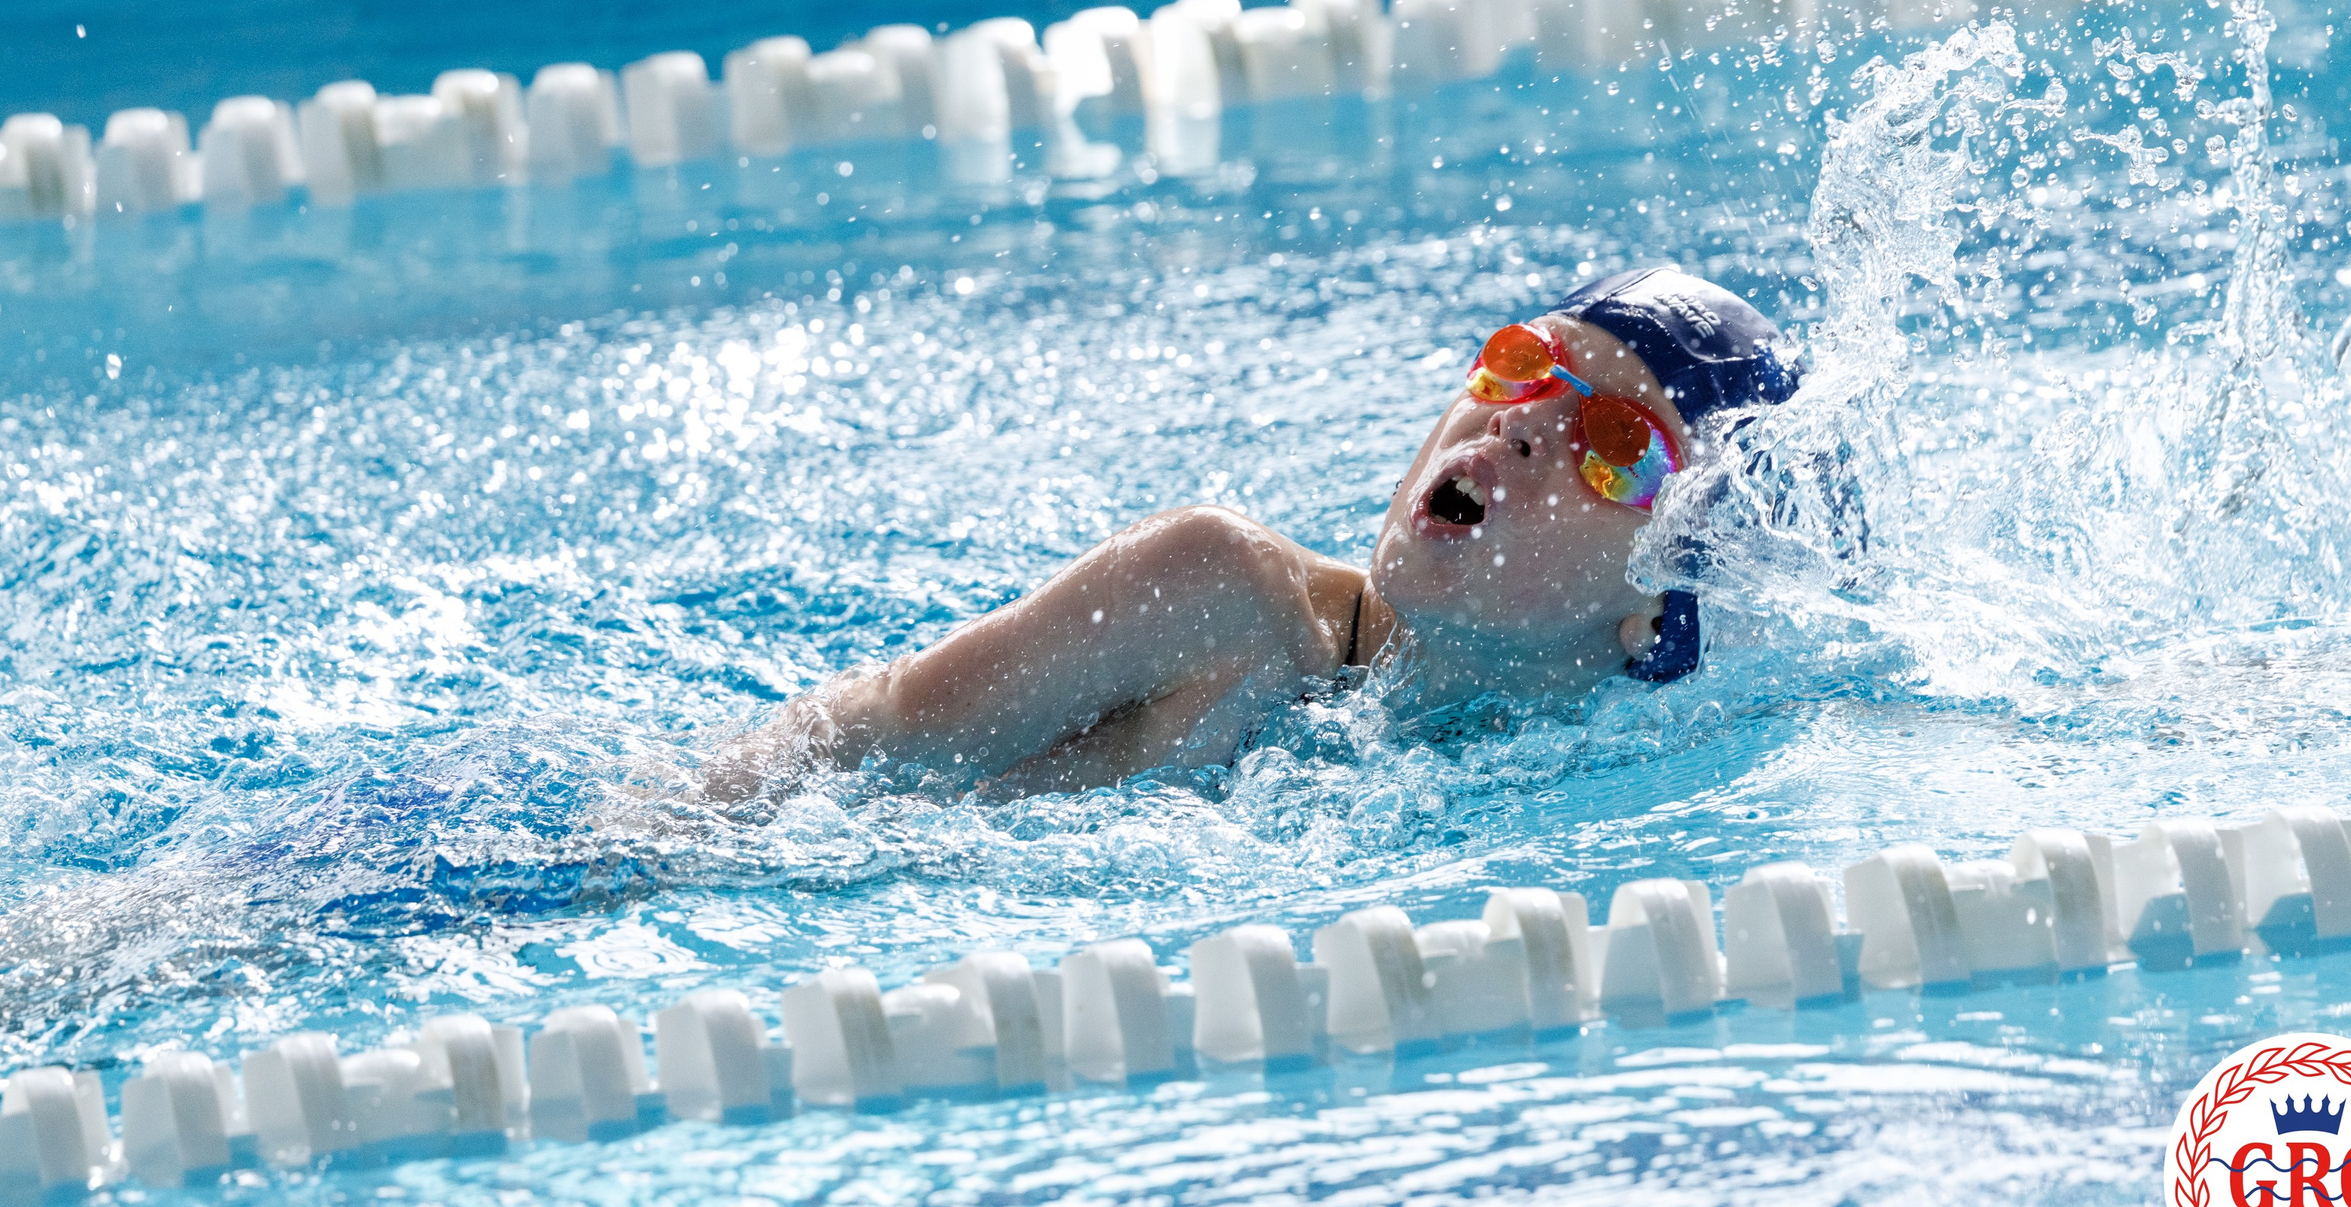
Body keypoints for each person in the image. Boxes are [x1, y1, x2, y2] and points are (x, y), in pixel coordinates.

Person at [699, 266, 1799, 800]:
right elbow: (859, 740)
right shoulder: (1215, 595)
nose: (1516, 428)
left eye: (1611, 440)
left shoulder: (1652, 775)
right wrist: (584, 881)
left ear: (1663, 601)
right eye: (1520, 364)